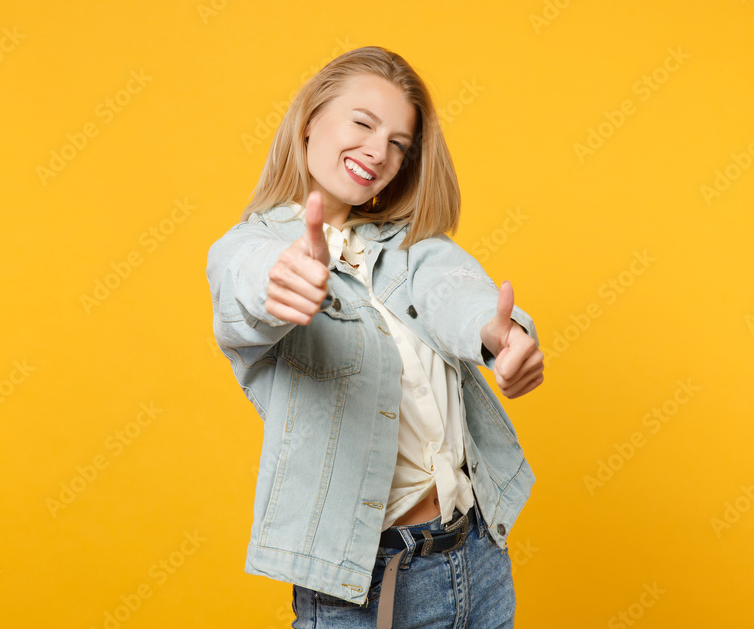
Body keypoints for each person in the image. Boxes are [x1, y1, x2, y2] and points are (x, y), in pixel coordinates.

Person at [206, 46, 544, 628]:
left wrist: (499, 332)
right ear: (310, 119)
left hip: (478, 555)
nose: (377, 152)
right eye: (363, 123)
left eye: (398, 143)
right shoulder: (249, 249)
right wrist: (281, 281)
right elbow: (245, 283)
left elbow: (455, 292)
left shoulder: (414, 247)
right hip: (364, 584)